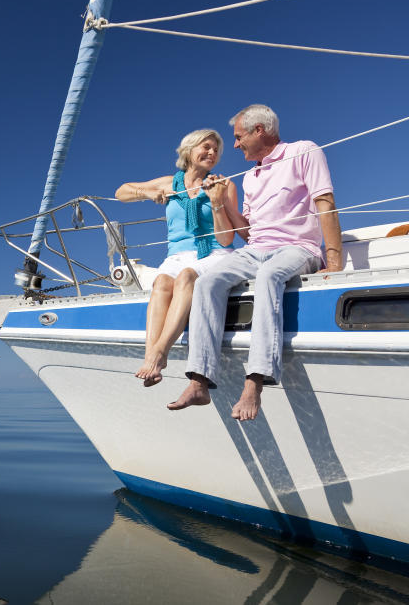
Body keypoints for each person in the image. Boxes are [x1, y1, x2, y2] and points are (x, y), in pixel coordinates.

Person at [168, 104, 343, 420]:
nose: (234, 145)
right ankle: (199, 381)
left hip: (297, 247)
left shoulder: (304, 151)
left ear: (259, 130)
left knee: (269, 277)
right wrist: (219, 202)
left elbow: (325, 202)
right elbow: (247, 233)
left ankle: (255, 381)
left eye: (238, 137)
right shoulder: (250, 177)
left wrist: (334, 261)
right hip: (256, 249)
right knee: (207, 282)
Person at [115, 129, 238, 386]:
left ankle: (159, 354)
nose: (212, 153)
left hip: (214, 251)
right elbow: (121, 192)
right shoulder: (170, 183)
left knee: (186, 277)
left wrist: (216, 201)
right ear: (189, 151)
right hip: (177, 254)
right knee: (161, 284)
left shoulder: (224, 184)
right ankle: (150, 356)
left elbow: (227, 239)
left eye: (216, 150)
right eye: (206, 147)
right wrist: (146, 194)